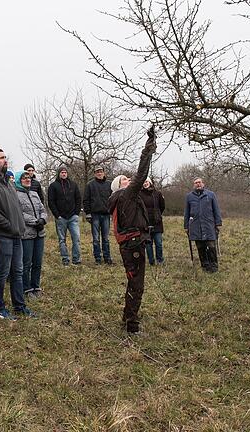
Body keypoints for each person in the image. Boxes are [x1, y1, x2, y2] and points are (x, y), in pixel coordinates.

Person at [108, 127, 157, 335]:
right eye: (125, 181)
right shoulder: (125, 196)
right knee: (136, 284)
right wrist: (149, 148)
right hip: (133, 245)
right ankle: (132, 325)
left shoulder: (123, 198)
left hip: (132, 244)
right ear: (120, 187)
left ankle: (128, 315)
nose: (129, 181)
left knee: (133, 282)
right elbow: (141, 173)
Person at [0, 148, 32, 320]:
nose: (5, 160)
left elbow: (16, 208)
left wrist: (19, 226)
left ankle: (19, 306)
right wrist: (9, 226)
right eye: (1, 158)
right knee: (2, 272)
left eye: (5, 157)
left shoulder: (8, 184)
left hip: (15, 234)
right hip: (0, 236)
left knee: (18, 271)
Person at [14, 171, 47, 298]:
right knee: (26, 263)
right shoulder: (16, 195)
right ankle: (26, 289)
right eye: (24, 178)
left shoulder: (35, 194)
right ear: (18, 181)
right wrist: (35, 221)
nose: (27, 180)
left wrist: (43, 220)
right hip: (27, 234)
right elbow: (19, 213)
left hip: (40, 233)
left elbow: (42, 209)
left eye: (28, 178)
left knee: (37, 262)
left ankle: (36, 286)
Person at [184, 177, 222, 273]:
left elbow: (216, 209)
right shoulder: (189, 196)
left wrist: (218, 223)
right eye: (196, 183)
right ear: (194, 185)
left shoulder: (211, 195)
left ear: (203, 184)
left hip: (209, 224)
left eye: (199, 182)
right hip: (195, 226)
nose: (198, 184)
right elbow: (186, 213)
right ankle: (205, 266)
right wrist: (186, 226)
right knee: (200, 247)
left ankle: (214, 266)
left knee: (211, 246)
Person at [47, 166, 82, 266]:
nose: (64, 174)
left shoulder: (73, 185)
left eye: (65, 172)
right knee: (62, 240)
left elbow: (78, 199)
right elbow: (51, 201)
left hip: (73, 217)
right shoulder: (53, 186)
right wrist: (57, 215)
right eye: (62, 172)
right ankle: (65, 259)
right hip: (61, 218)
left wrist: (76, 213)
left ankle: (76, 259)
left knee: (76, 238)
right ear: (59, 173)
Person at [83, 167, 113, 265]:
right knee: (96, 239)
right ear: (95, 174)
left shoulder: (109, 184)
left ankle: (107, 257)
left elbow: (113, 198)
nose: (99, 173)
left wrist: (112, 211)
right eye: (97, 172)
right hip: (94, 215)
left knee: (106, 238)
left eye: (101, 171)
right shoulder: (90, 185)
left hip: (106, 214)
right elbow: (86, 200)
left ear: (104, 173)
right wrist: (88, 213)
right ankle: (97, 258)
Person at [140, 177, 166, 266]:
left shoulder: (157, 194)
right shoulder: (139, 194)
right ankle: (151, 261)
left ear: (150, 182)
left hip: (157, 222)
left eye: (146, 181)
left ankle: (160, 260)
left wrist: (158, 214)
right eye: (143, 182)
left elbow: (162, 206)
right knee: (148, 244)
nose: (145, 183)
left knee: (158, 243)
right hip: (145, 222)